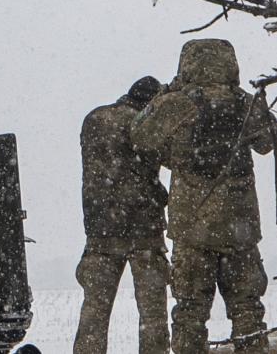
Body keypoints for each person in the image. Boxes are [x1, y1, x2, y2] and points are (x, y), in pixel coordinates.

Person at [133, 39, 277, 354]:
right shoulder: (245, 102)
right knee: (247, 308)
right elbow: (269, 141)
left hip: (192, 227)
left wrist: (168, 93)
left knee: (189, 311)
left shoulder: (176, 103)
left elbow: (140, 135)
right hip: (241, 226)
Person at [72, 75, 169, 354]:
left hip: (101, 231)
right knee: (152, 317)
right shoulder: (144, 125)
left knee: (94, 313)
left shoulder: (95, 120)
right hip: (144, 231)